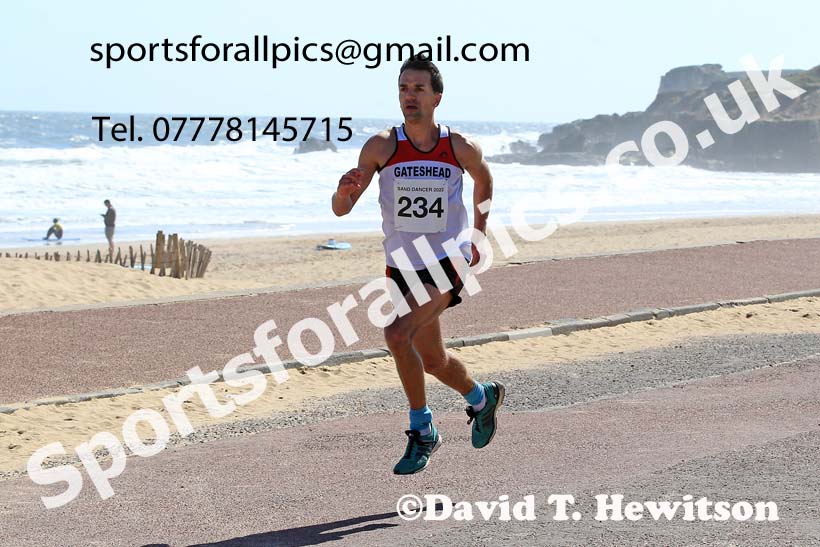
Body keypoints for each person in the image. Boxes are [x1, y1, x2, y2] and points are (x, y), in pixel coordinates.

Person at [332, 56, 504, 475]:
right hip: (401, 267)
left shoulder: (458, 146)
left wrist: (478, 235)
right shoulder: (380, 147)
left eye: (418, 89)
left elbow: (484, 181)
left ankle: (422, 430)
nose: (409, 96)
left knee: (395, 333)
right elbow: (342, 210)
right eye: (404, 89)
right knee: (432, 360)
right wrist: (342, 192)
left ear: (437, 97)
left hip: (447, 259)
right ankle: (482, 398)